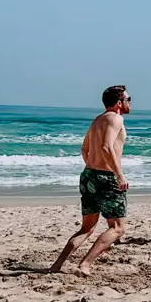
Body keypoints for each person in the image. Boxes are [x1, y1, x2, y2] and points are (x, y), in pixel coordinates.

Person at [52, 85, 131, 276]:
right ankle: (85, 264)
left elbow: (84, 149)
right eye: (128, 99)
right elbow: (106, 147)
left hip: (89, 175)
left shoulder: (97, 120)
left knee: (87, 228)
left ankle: (57, 265)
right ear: (119, 102)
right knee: (117, 228)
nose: (130, 103)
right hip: (107, 177)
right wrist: (118, 174)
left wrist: (93, 169)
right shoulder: (115, 118)